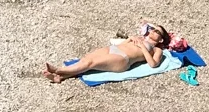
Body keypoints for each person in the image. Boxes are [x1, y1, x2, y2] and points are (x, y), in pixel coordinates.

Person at [43, 23, 171, 83]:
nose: (154, 31)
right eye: (153, 29)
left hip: (124, 59)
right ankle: (60, 77)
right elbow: (120, 45)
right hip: (115, 50)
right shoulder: (139, 38)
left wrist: (143, 48)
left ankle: (59, 70)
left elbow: (153, 64)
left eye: (158, 32)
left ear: (161, 39)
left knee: (91, 63)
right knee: (86, 59)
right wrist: (129, 39)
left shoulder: (157, 50)